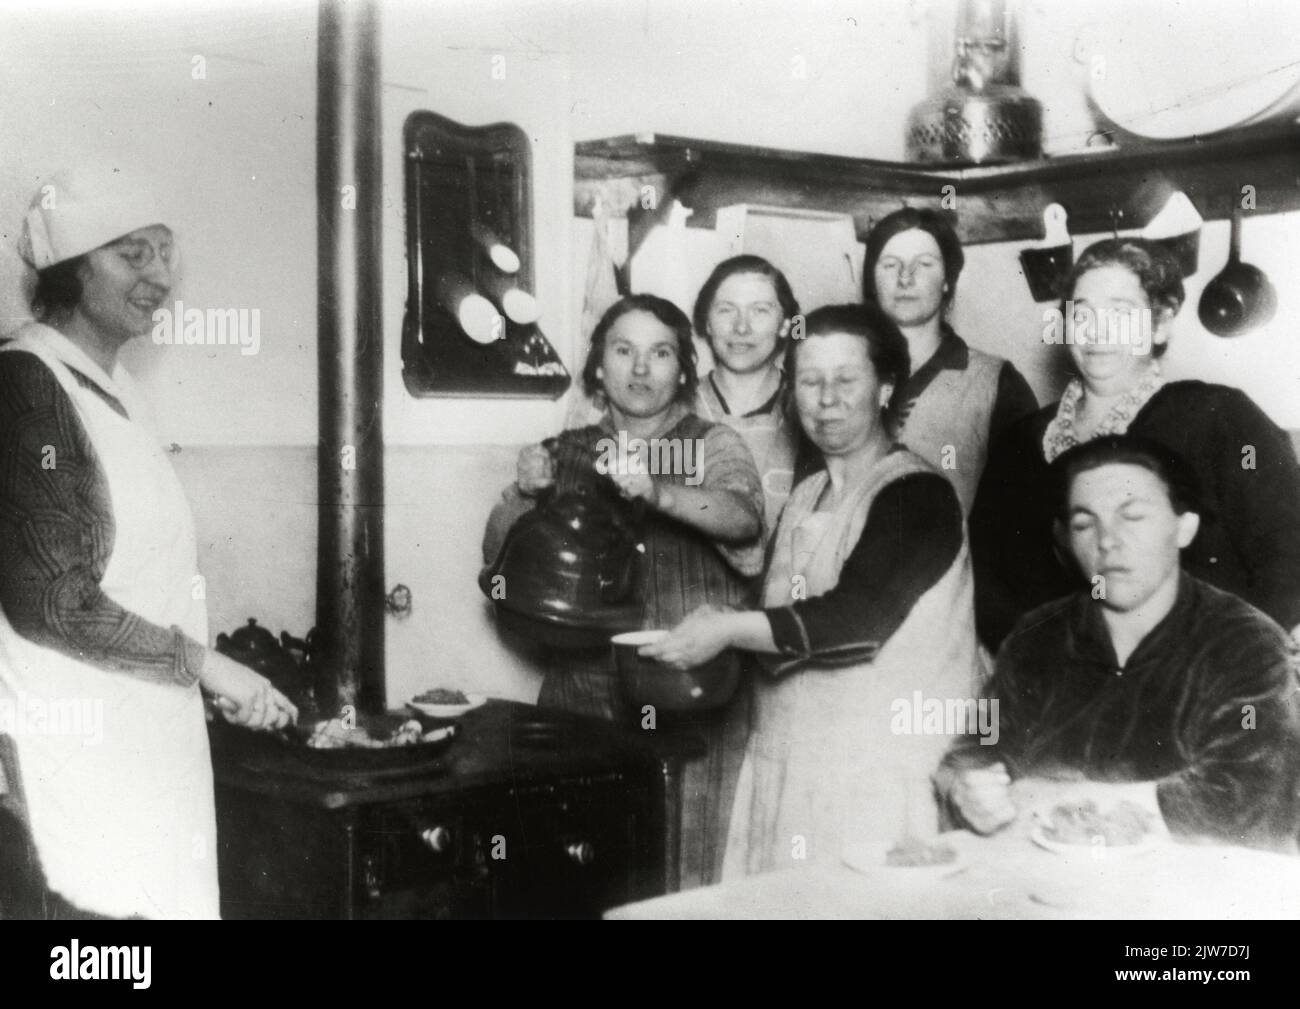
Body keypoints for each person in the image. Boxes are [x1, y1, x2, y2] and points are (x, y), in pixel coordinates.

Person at [0, 168, 296, 920]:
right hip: (72, 745)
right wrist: (210, 666)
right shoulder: (27, 385)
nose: (160, 276)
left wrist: (198, 681)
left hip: (146, 738)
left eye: (165, 254)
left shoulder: (113, 386)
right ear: (72, 270)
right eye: (133, 255)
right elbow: (52, 602)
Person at [643, 303, 987, 876]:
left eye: (846, 379)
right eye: (809, 380)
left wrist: (727, 629)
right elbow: (784, 611)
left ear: (884, 388)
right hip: (791, 766)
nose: (826, 399)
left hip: (879, 781)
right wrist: (713, 622)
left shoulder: (916, 495)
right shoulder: (805, 495)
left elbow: (855, 622)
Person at [482, 292, 764, 884]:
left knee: (681, 872)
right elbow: (498, 562)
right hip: (582, 696)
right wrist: (524, 495)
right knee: (575, 872)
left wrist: (659, 492)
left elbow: (742, 517)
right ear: (599, 368)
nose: (640, 369)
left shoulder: (712, 445)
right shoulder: (568, 450)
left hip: (689, 692)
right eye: (624, 350)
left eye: (660, 352)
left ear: (683, 368)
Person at [939, 436, 1300, 852]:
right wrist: (966, 792)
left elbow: (1250, 798)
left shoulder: (1246, 643)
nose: (1107, 540)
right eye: (1084, 523)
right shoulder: (1037, 637)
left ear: (1185, 527)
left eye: (1132, 516)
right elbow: (973, 751)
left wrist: (1062, 800)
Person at [970, 237, 1300, 651]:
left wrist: (1233, 663)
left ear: (1159, 325)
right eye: (1082, 313)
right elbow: (986, 581)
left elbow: (1289, 556)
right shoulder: (1021, 443)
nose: (1098, 331)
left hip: (1201, 679)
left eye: (1121, 313)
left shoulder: (1217, 418)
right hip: (1064, 692)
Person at [863, 207, 1037, 514]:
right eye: (890, 265)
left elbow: (1020, 514)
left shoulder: (996, 382)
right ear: (872, 281)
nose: (906, 278)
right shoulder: (842, 373)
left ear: (947, 280)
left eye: (924, 264)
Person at [691, 255, 808, 536]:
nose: (741, 327)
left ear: (785, 325)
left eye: (760, 311)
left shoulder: (809, 411)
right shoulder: (671, 409)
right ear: (707, 323)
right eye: (726, 310)